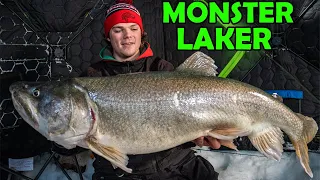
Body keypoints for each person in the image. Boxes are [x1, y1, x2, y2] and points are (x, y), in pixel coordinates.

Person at [84, 1, 221, 179]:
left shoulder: (161, 67)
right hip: (118, 172)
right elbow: (69, 142)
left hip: (173, 166)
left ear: (141, 33)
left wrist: (199, 134)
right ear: (108, 36)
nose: (128, 36)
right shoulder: (92, 76)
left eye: (134, 28)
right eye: (118, 30)